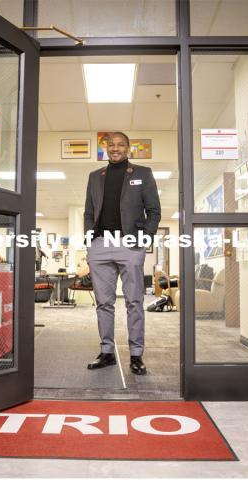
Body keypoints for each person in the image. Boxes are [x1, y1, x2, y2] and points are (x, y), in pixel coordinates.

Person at [84, 131, 161, 375]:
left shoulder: (142, 174)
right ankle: (107, 352)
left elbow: (154, 211)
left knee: (134, 301)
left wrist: (143, 239)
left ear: (128, 149)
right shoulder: (95, 176)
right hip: (100, 244)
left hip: (130, 244)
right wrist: (90, 240)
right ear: (106, 148)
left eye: (121, 145)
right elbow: (88, 212)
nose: (115, 148)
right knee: (104, 303)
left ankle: (136, 355)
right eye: (111, 145)